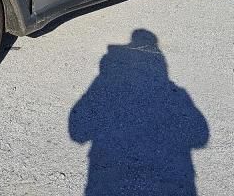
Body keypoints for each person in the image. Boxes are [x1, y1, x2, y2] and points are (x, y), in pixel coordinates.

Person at [69, 29, 209, 195]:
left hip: (106, 179)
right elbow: (201, 137)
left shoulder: (101, 84)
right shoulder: (178, 94)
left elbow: (77, 133)